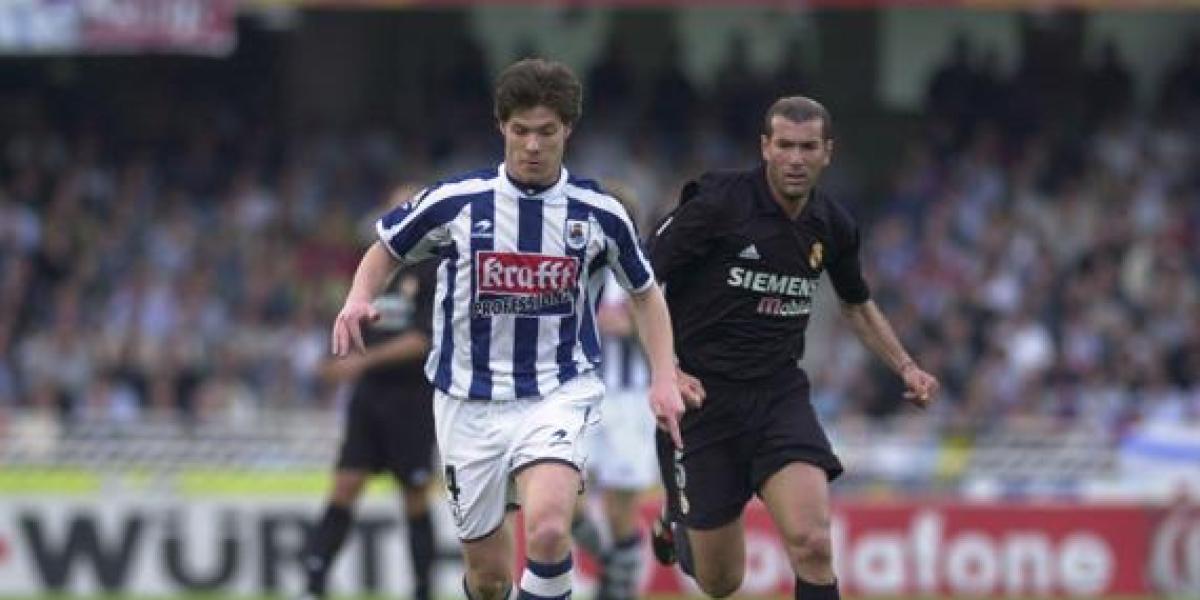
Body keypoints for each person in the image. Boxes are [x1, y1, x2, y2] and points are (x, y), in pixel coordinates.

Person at [330, 58, 686, 600]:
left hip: (557, 391)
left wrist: (663, 376)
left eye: (546, 131)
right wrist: (358, 297)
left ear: (568, 129)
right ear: (501, 127)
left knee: (548, 531)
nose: (533, 145)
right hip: (466, 401)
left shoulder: (599, 213)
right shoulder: (456, 201)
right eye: (521, 131)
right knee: (490, 579)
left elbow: (645, 293)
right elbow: (387, 248)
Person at [648, 96, 940, 599]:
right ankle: (678, 518)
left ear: (828, 152)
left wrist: (906, 367)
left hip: (778, 395)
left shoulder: (833, 224)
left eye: (808, 147)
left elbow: (856, 303)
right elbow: (639, 281)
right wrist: (666, 368)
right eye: (785, 145)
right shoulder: (718, 205)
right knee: (721, 581)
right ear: (765, 147)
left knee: (814, 544)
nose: (796, 159)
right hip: (702, 399)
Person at [297, 188, 440, 600]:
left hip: (412, 397)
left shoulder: (433, 270)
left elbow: (424, 339)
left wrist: (360, 363)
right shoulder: (376, 268)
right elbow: (356, 320)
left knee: (414, 495)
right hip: (369, 398)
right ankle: (313, 584)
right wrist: (334, 358)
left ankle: (422, 589)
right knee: (345, 484)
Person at [569, 184, 659, 600]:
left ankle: (616, 590)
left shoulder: (647, 274)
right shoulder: (569, 268)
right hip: (576, 396)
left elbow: (667, 340)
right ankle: (611, 563)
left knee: (621, 511)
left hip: (628, 401)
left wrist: (632, 327)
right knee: (564, 500)